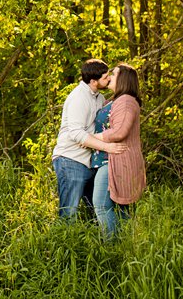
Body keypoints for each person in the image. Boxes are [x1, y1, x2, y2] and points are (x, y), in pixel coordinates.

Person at [51, 59, 127, 219]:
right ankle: (63, 242)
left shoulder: (99, 98)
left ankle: (104, 242)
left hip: (88, 161)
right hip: (70, 160)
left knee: (96, 210)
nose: (109, 79)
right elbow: (76, 134)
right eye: (106, 77)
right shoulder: (79, 98)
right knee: (68, 212)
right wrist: (108, 148)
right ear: (93, 81)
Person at [91, 62, 146, 236]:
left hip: (114, 159)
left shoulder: (126, 101)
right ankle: (125, 247)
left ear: (123, 79)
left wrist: (90, 138)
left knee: (101, 205)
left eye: (113, 74)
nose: (109, 77)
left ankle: (112, 246)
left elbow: (120, 131)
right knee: (121, 210)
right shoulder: (116, 100)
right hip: (110, 158)